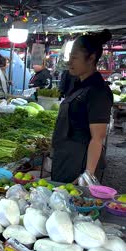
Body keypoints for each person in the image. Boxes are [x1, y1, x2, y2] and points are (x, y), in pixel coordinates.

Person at [51, 29, 113, 183]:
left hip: (79, 163)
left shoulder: (98, 91)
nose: (69, 62)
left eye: (75, 57)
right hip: (65, 158)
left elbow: (98, 138)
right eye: (69, 57)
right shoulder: (79, 84)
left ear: (91, 58)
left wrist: (87, 175)